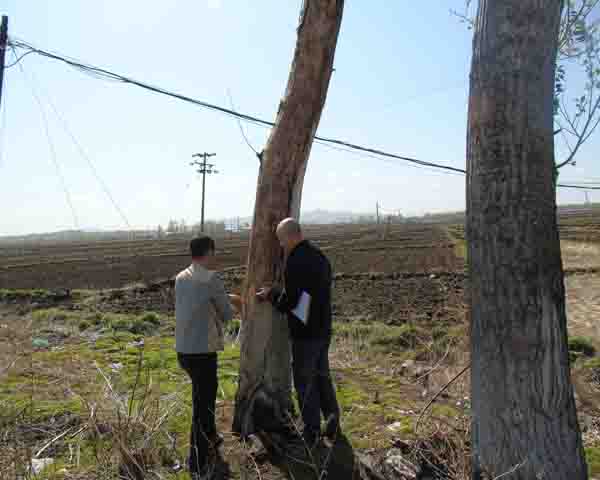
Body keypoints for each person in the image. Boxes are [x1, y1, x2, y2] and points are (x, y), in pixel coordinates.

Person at [257, 218, 341, 448]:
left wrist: (271, 294)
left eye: (281, 240)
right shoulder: (319, 256)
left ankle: (311, 431)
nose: (281, 245)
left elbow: (292, 302)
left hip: (306, 332)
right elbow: (309, 294)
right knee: (322, 375)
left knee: (304, 381)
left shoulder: (295, 260)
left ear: (290, 236)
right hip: (323, 327)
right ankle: (332, 420)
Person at [175, 236, 242, 478]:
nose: (215, 257)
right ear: (209, 253)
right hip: (203, 352)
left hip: (183, 351)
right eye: (214, 253)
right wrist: (237, 302)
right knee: (203, 408)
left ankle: (211, 436)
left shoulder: (181, 277)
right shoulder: (211, 279)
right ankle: (198, 463)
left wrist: (221, 297)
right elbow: (227, 315)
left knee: (201, 397)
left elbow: (198, 303)